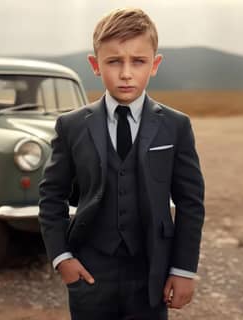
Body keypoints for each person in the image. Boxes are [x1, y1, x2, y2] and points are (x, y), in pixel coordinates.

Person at [39, 7, 205, 320]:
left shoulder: (176, 126)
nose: (126, 73)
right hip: (89, 272)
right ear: (95, 65)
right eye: (114, 61)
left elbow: (191, 203)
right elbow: (51, 196)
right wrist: (62, 257)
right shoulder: (72, 126)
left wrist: (183, 269)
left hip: (151, 272)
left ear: (154, 65)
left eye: (138, 61)